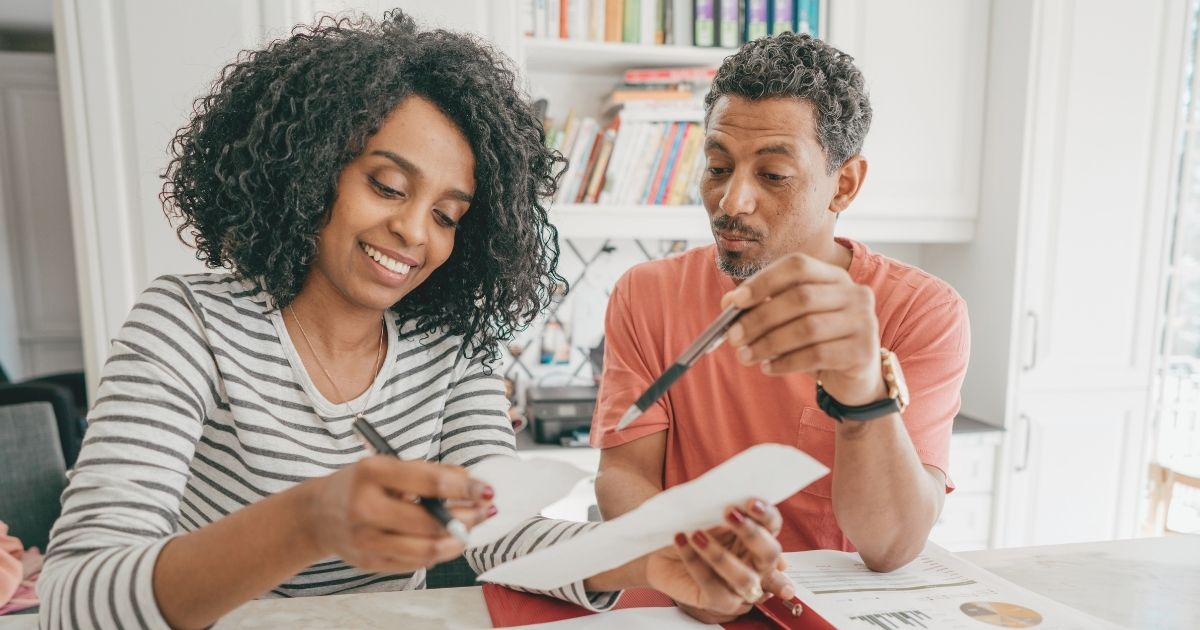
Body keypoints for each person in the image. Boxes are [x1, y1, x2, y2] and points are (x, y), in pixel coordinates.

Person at [37, 12, 793, 629]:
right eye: (388, 185)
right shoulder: (188, 326)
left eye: (447, 215)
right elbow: (75, 595)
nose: (414, 233)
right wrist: (308, 521)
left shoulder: (449, 351)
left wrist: (653, 556)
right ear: (309, 168)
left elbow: (506, 539)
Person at [591, 32, 971, 622]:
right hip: (686, 603)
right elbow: (623, 476)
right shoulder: (647, 294)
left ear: (843, 185)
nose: (731, 200)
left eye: (772, 175)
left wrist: (860, 383)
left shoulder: (920, 311)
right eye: (718, 166)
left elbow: (891, 545)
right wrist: (693, 557)